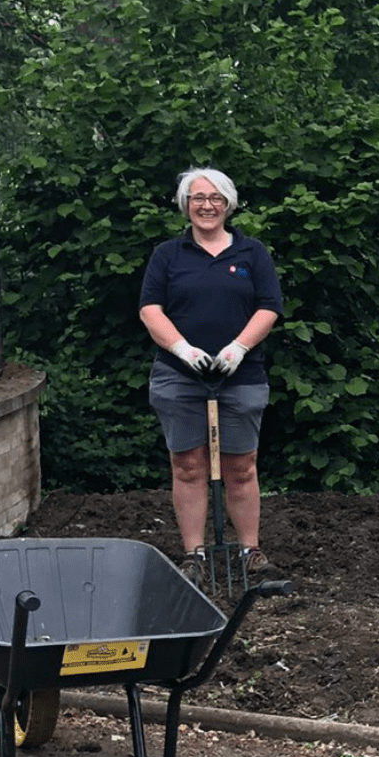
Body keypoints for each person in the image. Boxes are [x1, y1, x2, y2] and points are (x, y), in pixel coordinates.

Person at [139, 167, 283, 588]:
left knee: (241, 466)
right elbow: (150, 309)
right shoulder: (168, 255)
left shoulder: (251, 253)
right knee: (187, 465)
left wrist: (238, 348)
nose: (207, 205)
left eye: (215, 198)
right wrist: (182, 348)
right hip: (179, 377)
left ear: (228, 204)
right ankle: (194, 555)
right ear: (186, 204)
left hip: (240, 376)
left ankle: (250, 552)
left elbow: (268, 306)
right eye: (198, 197)